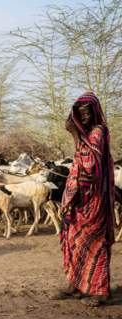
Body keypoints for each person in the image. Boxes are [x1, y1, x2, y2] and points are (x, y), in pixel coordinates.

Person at [52, 92, 114, 307]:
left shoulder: (98, 132)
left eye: (87, 112)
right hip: (78, 201)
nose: (84, 117)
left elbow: (89, 167)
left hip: (93, 201)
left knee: (94, 243)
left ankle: (100, 291)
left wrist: (75, 135)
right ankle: (76, 284)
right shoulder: (87, 134)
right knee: (73, 240)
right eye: (80, 114)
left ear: (95, 112)